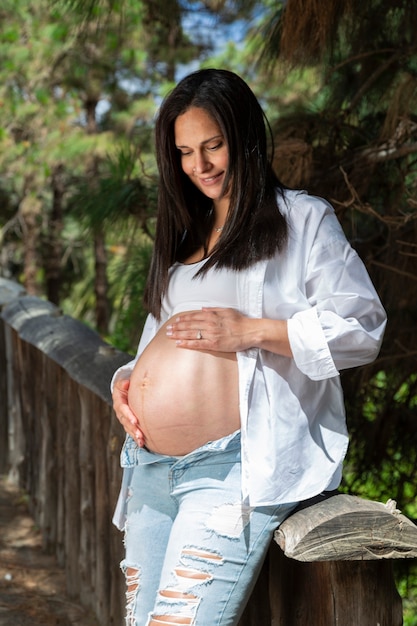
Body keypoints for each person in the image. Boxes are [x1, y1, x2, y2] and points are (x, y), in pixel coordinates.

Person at [111, 68, 386, 626]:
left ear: (245, 139)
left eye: (213, 146)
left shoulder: (302, 221)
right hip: (149, 470)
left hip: (232, 471)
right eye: (186, 152)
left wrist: (255, 331)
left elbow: (362, 327)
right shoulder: (183, 238)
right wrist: (125, 384)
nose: (201, 166)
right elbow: (152, 348)